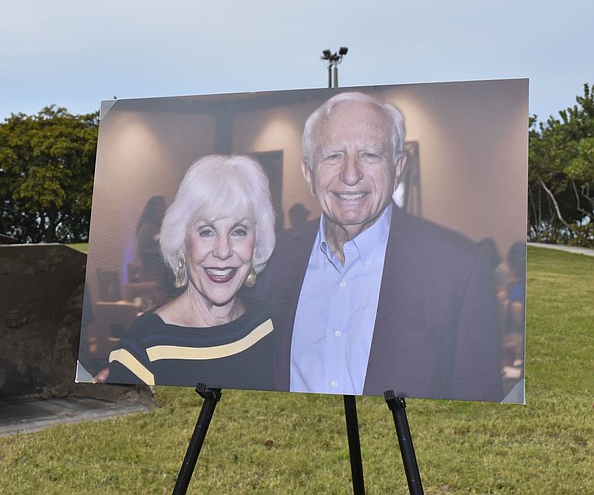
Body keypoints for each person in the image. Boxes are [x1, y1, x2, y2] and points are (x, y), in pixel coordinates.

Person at [255, 91, 503, 401]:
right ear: (308, 171)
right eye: (333, 155)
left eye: (370, 155)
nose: (350, 174)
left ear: (398, 167)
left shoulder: (459, 269)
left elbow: (480, 413)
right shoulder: (273, 260)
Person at [106, 154, 277, 390]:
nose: (223, 251)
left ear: (256, 243)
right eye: (206, 231)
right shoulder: (143, 350)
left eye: (238, 231)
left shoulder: (268, 325)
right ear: (181, 243)